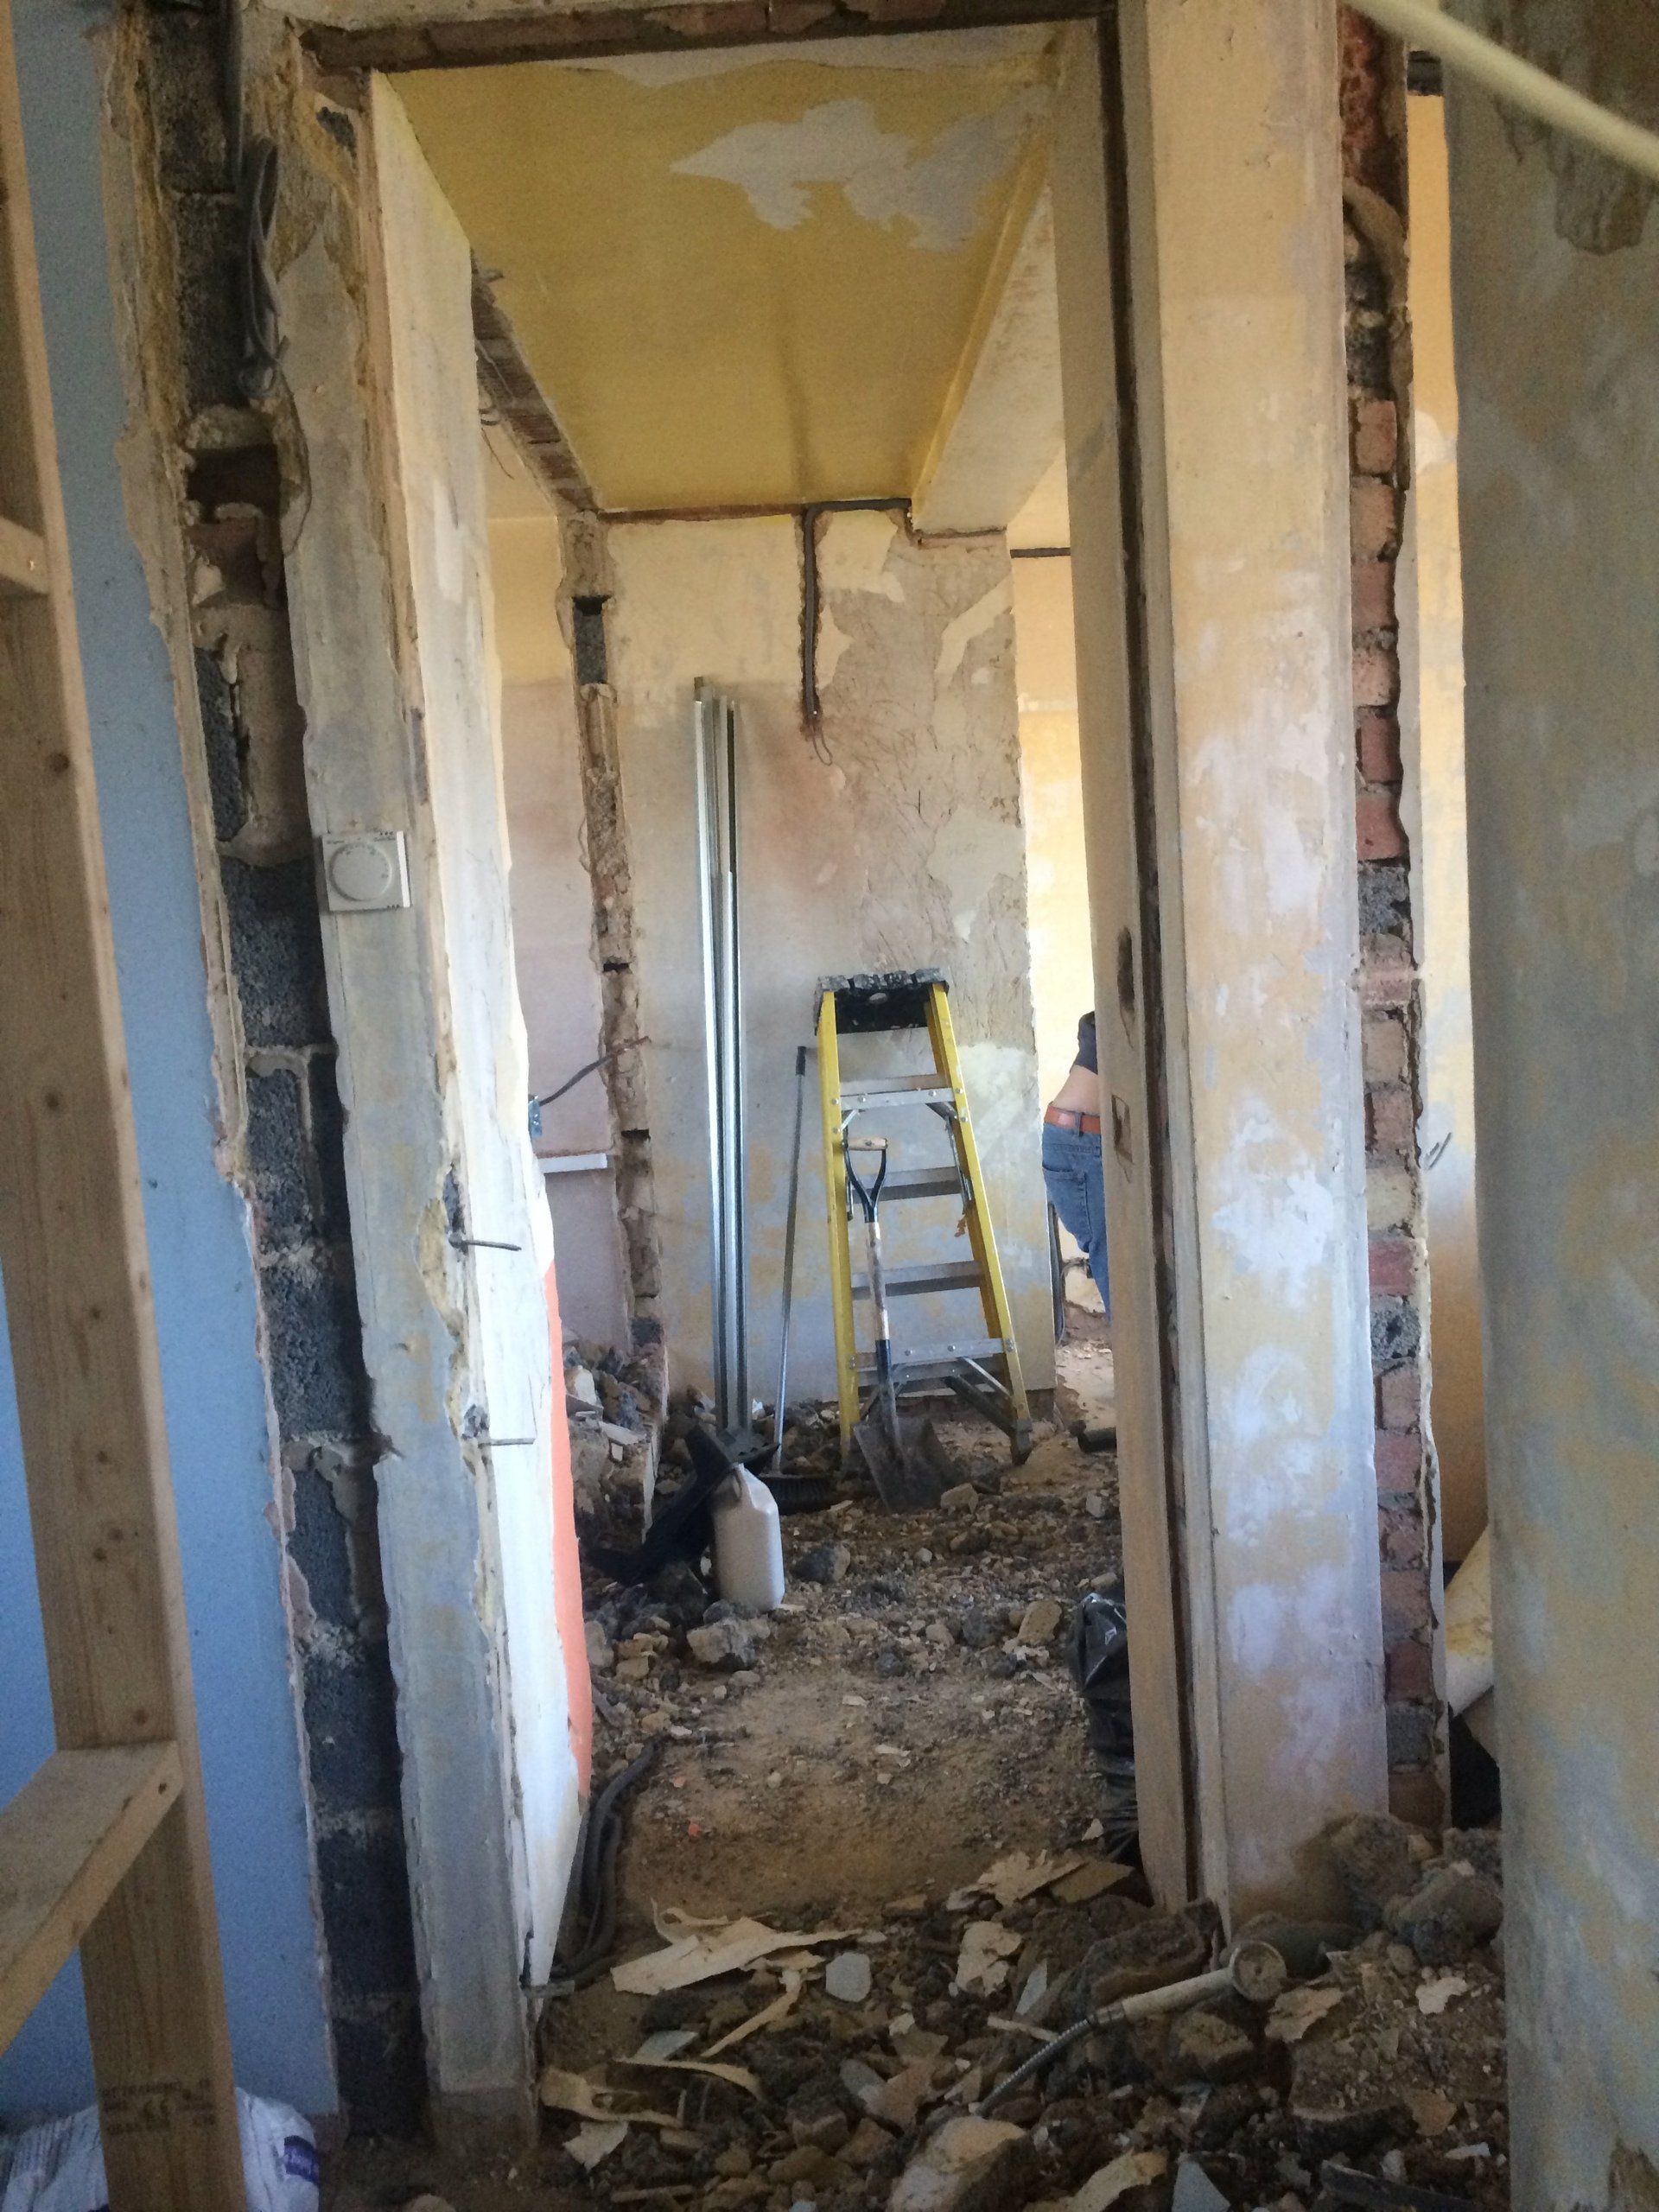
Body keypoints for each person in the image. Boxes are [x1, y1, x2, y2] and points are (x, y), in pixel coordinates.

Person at [1042, 1009, 1109, 1320]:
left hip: (1076, 1138)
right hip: (1082, 1142)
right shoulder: (1118, 1017)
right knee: (1117, 1269)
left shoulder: (1103, 1017)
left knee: (1116, 1264)